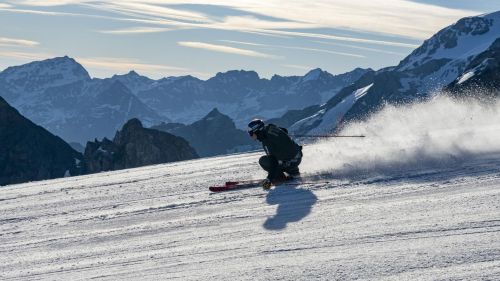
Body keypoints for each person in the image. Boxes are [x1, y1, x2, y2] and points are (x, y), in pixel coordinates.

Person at [247, 119, 302, 189]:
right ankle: (293, 171)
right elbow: (284, 130)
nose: (250, 136)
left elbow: (274, 163)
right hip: (298, 155)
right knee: (281, 155)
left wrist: (269, 179)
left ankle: (279, 178)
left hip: (291, 161)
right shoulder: (270, 127)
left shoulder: (266, 142)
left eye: (251, 133)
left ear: (256, 131)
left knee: (264, 160)